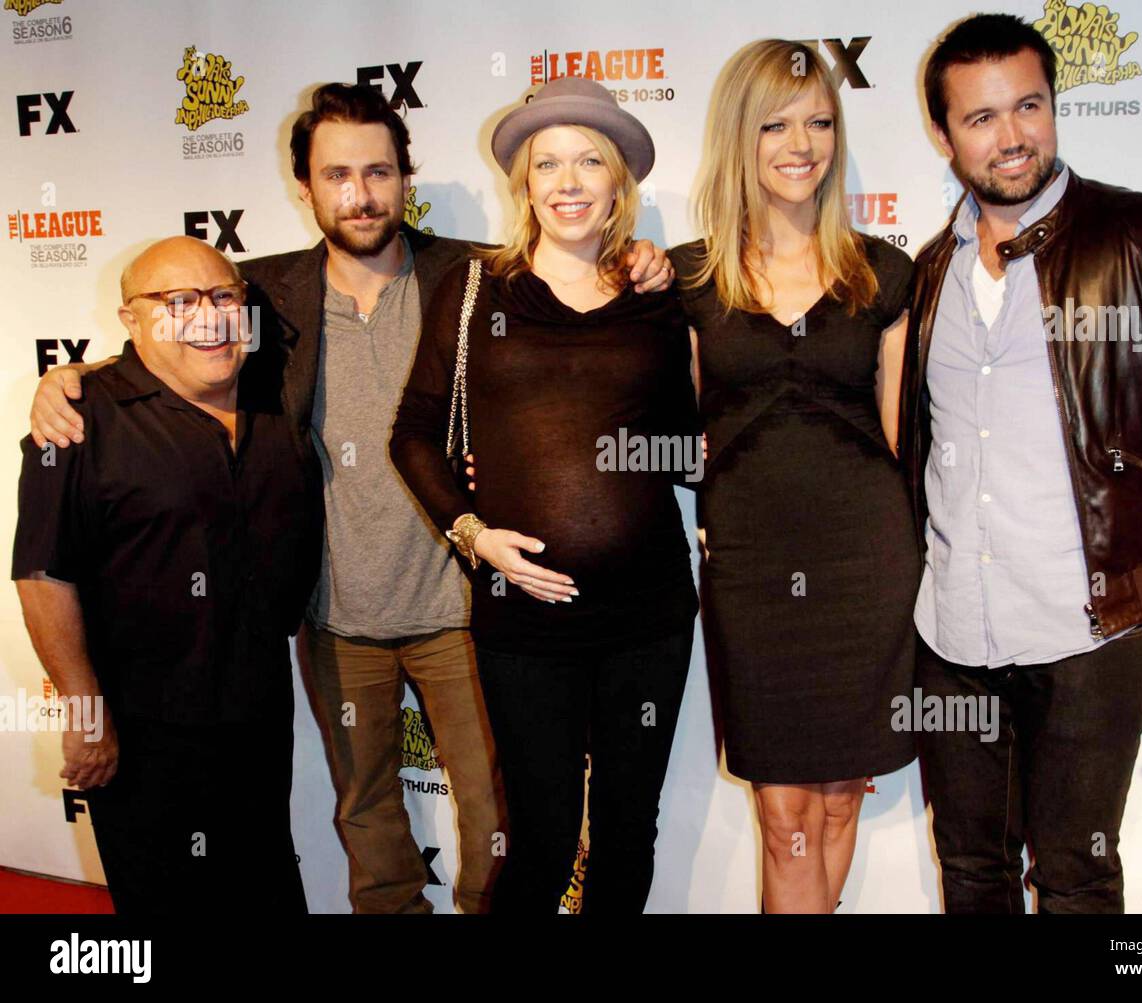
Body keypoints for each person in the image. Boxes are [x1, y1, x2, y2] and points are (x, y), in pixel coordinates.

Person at [27, 83, 675, 915]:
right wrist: (72, 377)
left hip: (460, 607)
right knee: (370, 826)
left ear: (408, 178)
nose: (359, 194)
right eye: (336, 175)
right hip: (335, 615)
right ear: (304, 187)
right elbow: (168, 335)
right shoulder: (259, 297)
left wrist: (639, 259)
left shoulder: (473, 275)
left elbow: (578, 272)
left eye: (378, 172)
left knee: (498, 829)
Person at [902, 13, 1142, 913]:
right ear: (943, 133)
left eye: (1029, 106)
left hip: (1095, 625)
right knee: (971, 873)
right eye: (981, 118)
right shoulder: (931, 273)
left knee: (1074, 879)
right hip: (953, 632)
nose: (1012, 137)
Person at [389, 76, 699, 914]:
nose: (567, 181)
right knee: (542, 835)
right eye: (547, 163)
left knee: (630, 828)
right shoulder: (473, 291)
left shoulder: (656, 300)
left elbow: (689, 451)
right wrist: (473, 533)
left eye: (588, 160)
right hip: (523, 618)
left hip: (649, 615)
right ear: (523, 183)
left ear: (617, 182)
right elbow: (413, 434)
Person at [669, 39, 919, 913]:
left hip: (867, 560)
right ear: (742, 134)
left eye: (818, 122)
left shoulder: (883, 274)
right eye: (775, 123)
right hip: (752, 568)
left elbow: (903, 436)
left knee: (841, 796)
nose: (800, 143)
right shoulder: (692, 279)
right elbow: (669, 430)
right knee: (784, 815)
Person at [13, 236, 323, 915]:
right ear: (131, 319)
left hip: (257, 719)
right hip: (142, 732)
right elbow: (43, 574)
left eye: (222, 297)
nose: (206, 317)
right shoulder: (77, 417)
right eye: (177, 301)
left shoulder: (278, 400)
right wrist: (86, 711)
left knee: (266, 888)